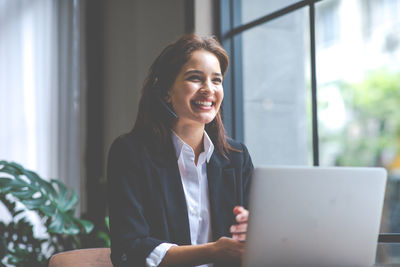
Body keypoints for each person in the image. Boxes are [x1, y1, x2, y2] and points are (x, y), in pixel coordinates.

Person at [107, 34, 254, 267]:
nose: (208, 89)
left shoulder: (236, 157)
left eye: (216, 80)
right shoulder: (130, 154)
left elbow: (255, 241)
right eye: (195, 78)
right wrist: (213, 252)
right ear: (167, 90)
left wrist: (253, 229)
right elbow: (130, 249)